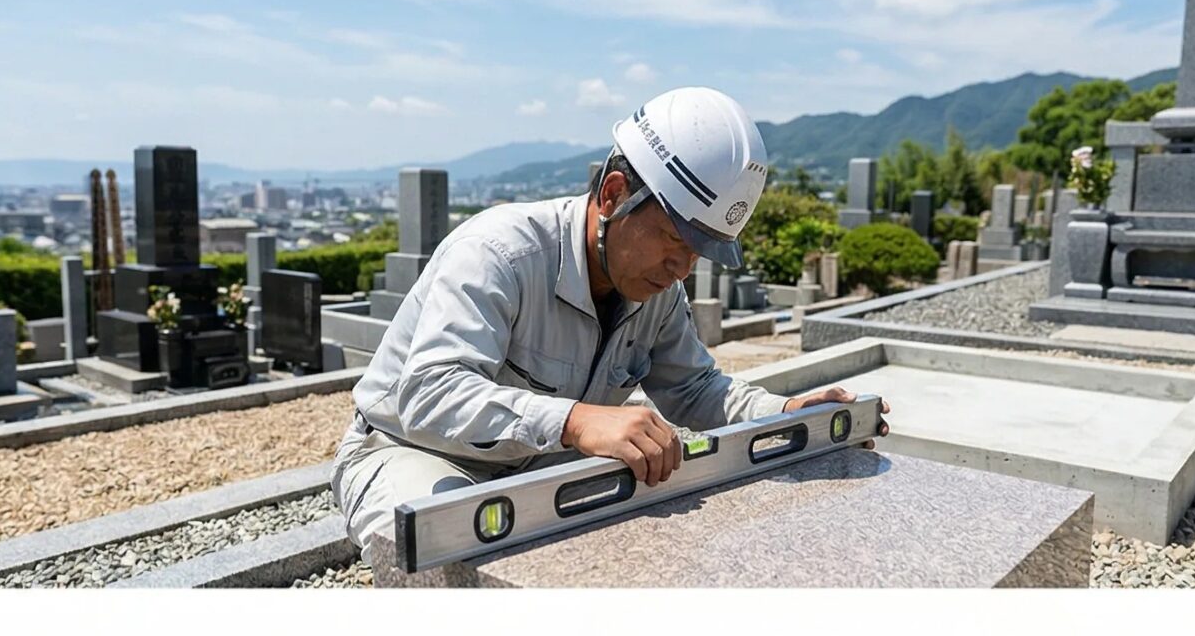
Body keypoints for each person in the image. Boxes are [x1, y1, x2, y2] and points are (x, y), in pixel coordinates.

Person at [333, 88, 888, 574]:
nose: (682, 269)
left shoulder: (656, 292)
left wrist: (786, 413)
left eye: (698, 252)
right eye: (675, 241)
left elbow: (696, 390)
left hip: (540, 465)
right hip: (411, 452)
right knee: (447, 554)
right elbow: (430, 392)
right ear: (615, 194)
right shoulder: (499, 252)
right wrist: (576, 420)